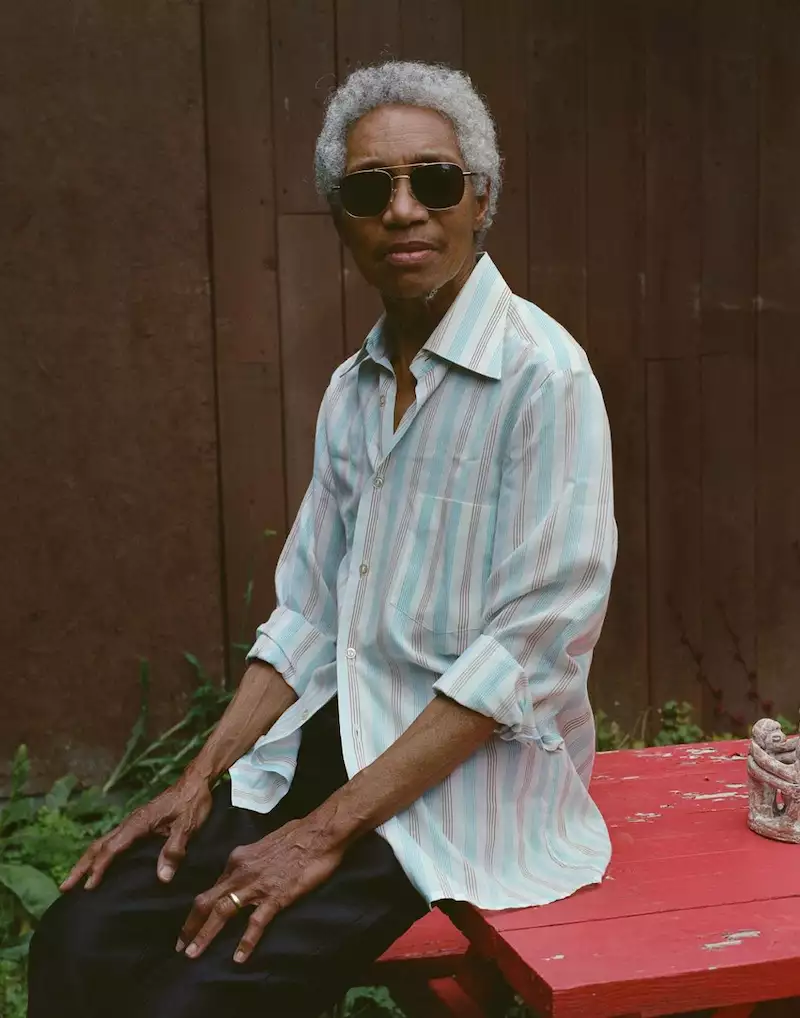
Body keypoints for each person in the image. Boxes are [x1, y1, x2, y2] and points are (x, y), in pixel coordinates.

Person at [28, 60, 617, 1018]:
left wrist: (319, 833)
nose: (403, 210)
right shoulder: (353, 390)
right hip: (332, 747)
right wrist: (201, 776)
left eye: (433, 179)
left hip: (460, 782)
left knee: (194, 999)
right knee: (78, 936)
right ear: (340, 218)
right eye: (366, 189)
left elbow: (530, 651)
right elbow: (309, 609)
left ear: (482, 200)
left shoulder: (544, 379)